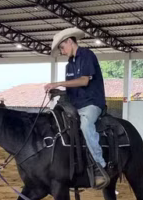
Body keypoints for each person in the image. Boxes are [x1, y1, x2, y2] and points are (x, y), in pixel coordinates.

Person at [44, 27, 109, 189]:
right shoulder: (69, 66)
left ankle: (99, 165)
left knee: (86, 125)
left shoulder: (87, 55)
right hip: (76, 104)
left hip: (92, 103)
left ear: (70, 42)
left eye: (62, 47)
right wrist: (59, 91)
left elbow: (84, 81)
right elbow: (72, 88)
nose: (62, 50)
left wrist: (58, 83)